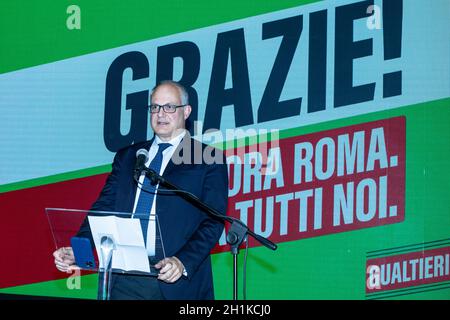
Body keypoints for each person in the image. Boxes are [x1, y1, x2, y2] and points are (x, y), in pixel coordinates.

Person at [53, 80, 229, 300]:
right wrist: (78, 249)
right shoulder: (129, 156)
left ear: (186, 111)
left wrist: (182, 261)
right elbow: (103, 209)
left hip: (173, 279)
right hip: (123, 277)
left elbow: (213, 221)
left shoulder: (207, 159)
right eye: (154, 107)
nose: (160, 114)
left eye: (169, 107)